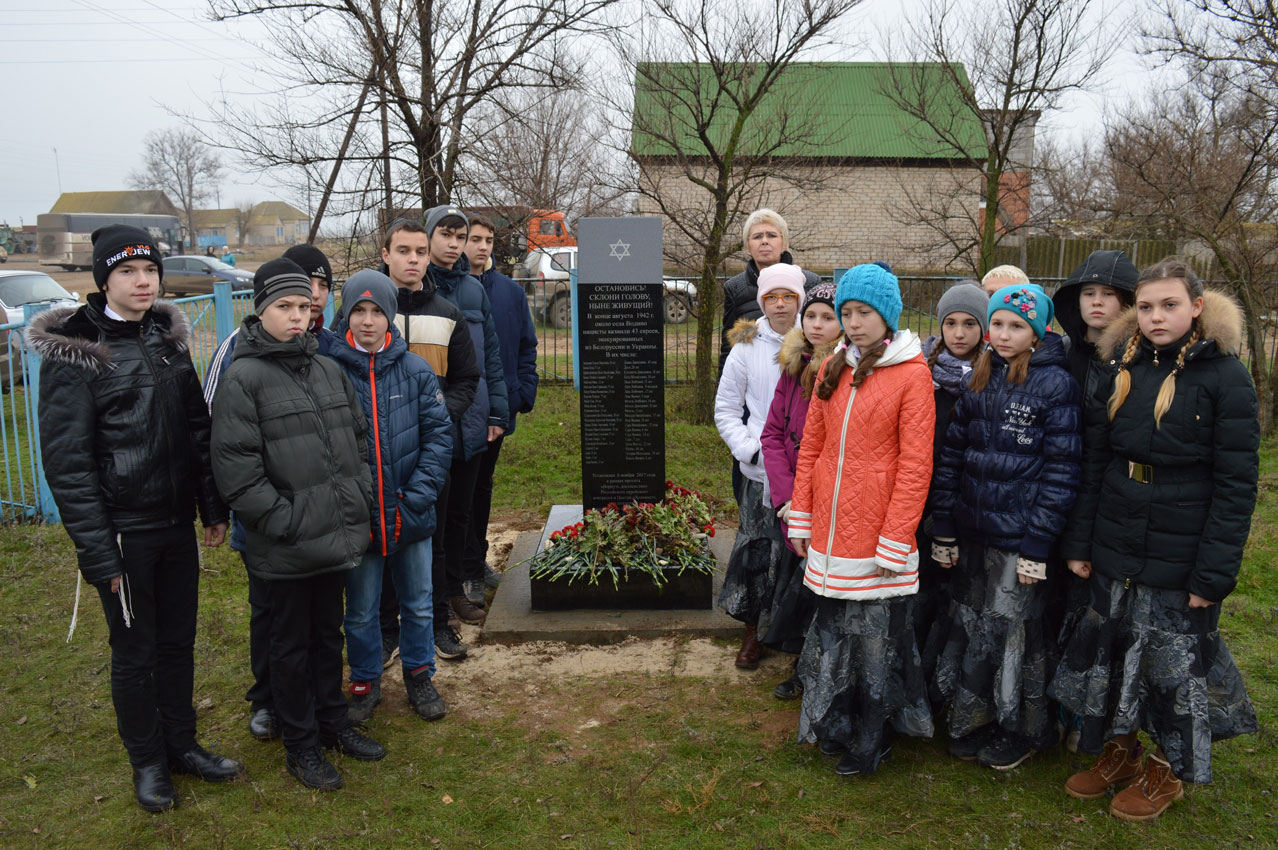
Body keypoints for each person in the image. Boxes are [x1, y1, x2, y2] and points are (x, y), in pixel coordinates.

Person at [28, 225, 243, 812]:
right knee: (135, 652)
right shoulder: (78, 353)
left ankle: (183, 745)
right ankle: (147, 762)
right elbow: (68, 465)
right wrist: (99, 552)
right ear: (103, 279)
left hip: (175, 525)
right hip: (123, 532)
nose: (142, 281)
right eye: (127, 272)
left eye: (149, 270)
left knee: (178, 643)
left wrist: (210, 506)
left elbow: (196, 429)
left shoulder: (167, 339)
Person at [1050, 259, 1259, 822]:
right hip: (1117, 529)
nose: (1156, 316)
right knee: (1115, 651)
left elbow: (1237, 485)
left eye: (1169, 305)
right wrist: (1080, 541)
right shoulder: (1122, 363)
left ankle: (1167, 768)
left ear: (1196, 307)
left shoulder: (1225, 376)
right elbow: (1095, 461)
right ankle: (1120, 750)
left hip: (1182, 540)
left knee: (1172, 662)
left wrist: (1212, 574)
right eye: (1145, 306)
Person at [210, 257, 384, 791]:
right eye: (283, 307)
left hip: (333, 533)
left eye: (304, 307)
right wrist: (283, 520)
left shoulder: (327, 366)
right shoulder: (244, 377)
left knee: (327, 635)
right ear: (261, 310)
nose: (296, 317)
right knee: (288, 646)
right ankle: (301, 745)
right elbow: (237, 470)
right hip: (285, 543)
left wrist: (358, 494)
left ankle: (333, 724)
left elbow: (357, 440)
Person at [787, 263, 936, 778]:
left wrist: (896, 537)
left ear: (887, 315)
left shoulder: (912, 374)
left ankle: (873, 738)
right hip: (830, 525)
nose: (853, 322)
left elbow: (917, 465)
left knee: (875, 643)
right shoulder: (833, 366)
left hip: (877, 531)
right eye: (846, 312)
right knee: (834, 633)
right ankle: (837, 722)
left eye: (864, 313)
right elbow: (813, 446)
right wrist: (802, 517)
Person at [930, 283, 1081, 771]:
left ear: (1038, 333)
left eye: (1017, 326)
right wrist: (945, 526)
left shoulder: (1055, 385)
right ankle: (973, 717)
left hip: (1020, 540)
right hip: (974, 531)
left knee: (1015, 632)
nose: (1004, 334)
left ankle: (1021, 728)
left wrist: (1039, 543)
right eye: (997, 324)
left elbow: (1061, 471)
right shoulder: (981, 375)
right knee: (974, 626)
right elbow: (953, 456)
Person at [202, 242, 335, 741]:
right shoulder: (236, 355)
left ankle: (316, 707)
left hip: (318, 520)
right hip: (267, 523)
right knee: (272, 616)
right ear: (264, 305)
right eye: (293, 300)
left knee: (316, 624)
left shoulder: (321, 352)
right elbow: (218, 443)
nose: (307, 307)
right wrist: (243, 513)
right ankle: (268, 700)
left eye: (316, 293)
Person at [324, 270, 453, 724]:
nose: (367, 321)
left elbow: (439, 436)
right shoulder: (329, 370)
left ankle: (420, 674)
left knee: (418, 601)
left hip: (410, 512)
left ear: (390, 316)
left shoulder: (415, 369)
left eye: (377, 311)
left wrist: (417, 495)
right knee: (360, 609)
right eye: (358, 311)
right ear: (345, 315)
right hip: (358, 518)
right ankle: (365, 681)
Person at [1048, 248, 1138, 749]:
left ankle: (1090, 711)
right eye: (1088, 294)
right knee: (1054, 598)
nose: (1097, 304)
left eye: (1109, 295)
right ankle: (1052, 704)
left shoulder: (1135, 361)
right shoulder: (1062, 354)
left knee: (1096, 609)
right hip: (1056, 490)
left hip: (1108, 497)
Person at [379, 218, 480, 662]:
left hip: (430, 451)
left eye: (420, 251)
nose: (414, 259)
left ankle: (439, 624)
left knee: (432, 539)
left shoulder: (447, 313)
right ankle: (386, 630)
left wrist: (439, 418)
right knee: (380, 542)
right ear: (386, 254)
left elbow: (466, 378)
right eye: (404, 250)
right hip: (378, 452)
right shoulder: (364, 313)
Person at [715, 263, 804, 669]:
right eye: (772, 297)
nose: (780, 304)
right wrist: (750, 451)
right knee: (756, 548)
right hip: (759, 470)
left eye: (788, 296)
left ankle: (789, 630)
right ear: (762, 301)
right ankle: (753, 629)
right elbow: (727, 409)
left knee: (796, 551)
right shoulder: (746, 347)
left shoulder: (818, 341)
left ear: (800, 299)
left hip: (803, 472)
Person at [757, 280, 840, 699]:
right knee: (802, 587)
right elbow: (773, 434)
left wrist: (808, 498)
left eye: (828, 317)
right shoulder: (793, 368)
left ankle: (818, 671)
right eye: (811, 316)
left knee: (823, 591)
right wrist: (786, 495)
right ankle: (802, 665)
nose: (818, 324)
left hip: (827, 500)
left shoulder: (844, 372)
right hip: (794, 502)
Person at [460, 213, 537, 602]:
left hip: (497, 410)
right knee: (459, 491)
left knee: (482, 487)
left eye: (488, 240)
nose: (482, 246)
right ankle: (463, 567)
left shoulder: (509, 292)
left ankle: (476, 562)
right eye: (475, 239)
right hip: (458, 411)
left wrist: (521, 393)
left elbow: (526, 346)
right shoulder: (449, 289)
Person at [915, 282, 988, 692]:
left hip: (971, 501)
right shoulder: (923, 372)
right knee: (926, 590)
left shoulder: (993, 374)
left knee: (960, 596)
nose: (959, 333)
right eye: (950, 323)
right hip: (925, 499)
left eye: (969, 324)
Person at [719, 209, 822, 373]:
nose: (765, 241)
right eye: (757, 236)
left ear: (784, 243)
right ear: (747, 246)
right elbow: (729, 347)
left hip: (801, 380)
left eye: (772, 235)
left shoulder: (810, 283)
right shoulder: (735, 288)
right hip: (755, 379)